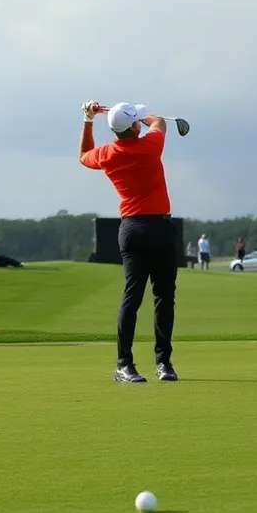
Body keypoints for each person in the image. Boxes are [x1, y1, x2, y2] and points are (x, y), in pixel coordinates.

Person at [80, 101, 179, 384]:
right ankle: (164, 364)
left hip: (131, 229)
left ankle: (124, 365)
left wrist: (89, 119)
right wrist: (142, 113)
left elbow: (84, 155)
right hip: (160, 227)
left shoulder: (108, 154)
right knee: (164, 297)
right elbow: (159, 121)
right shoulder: (150, 145)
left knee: (132, 297)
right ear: (135, 127)